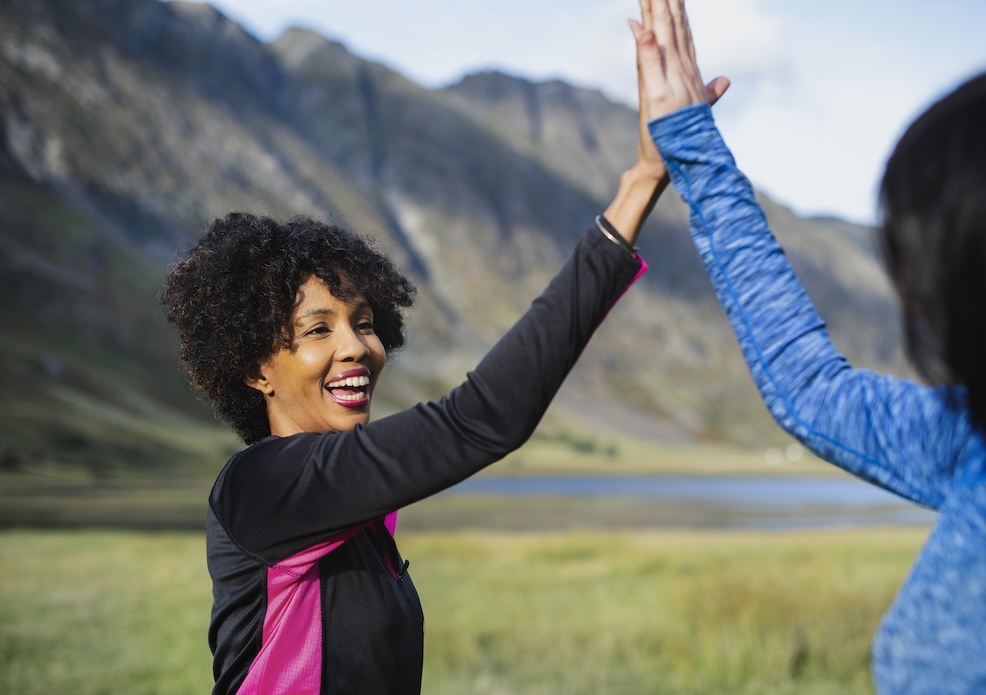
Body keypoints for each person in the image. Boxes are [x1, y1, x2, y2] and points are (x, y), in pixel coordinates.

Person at [160, 28, 728, 694]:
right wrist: (640, 183)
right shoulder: (259, 488)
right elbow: (478, 420)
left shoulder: (358, 512)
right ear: (256, 367)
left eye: (364, 323)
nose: (356, 346)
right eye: (318, 328)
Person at [630, 0, 986, 691]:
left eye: (925, 267)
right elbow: (812, 387)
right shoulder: (977, 439)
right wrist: (693, 147)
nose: (914, 303)